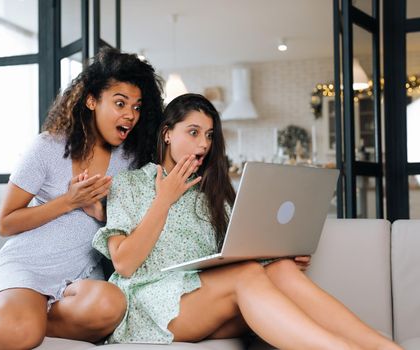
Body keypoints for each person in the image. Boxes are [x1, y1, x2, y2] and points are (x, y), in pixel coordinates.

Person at [0, 48, 163, 349]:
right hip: (27, 268)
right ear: (91, 100)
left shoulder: (130, 160)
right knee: (23, 331)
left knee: (112, 305)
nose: (130, 114)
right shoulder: (48, 148)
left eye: (137, 107)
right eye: (120, 103)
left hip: (79, 279)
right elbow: (6, 223)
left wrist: (98, 212)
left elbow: (125, 222)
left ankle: (11, 322)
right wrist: (69, 201)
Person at [92, 93, 402, 350]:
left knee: (277, 268)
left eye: (209, 136)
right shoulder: (129, 184)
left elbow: (237, 249)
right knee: (247, 275)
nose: (203, 144)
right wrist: (164, 199)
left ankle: (385, 347)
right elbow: (125, 264)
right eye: (193, 132)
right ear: (167, 133)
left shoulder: (212, 193)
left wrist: (281, 253)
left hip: (206, 299)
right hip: (150, 306)